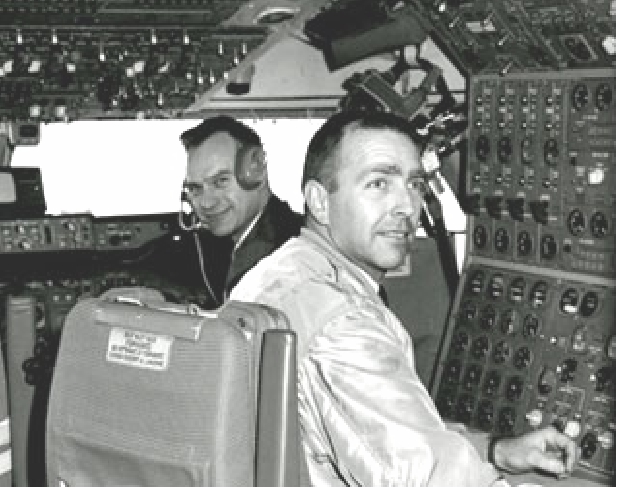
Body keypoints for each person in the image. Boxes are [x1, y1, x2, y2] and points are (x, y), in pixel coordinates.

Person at [230, 110, 578, 485]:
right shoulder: (341, 322)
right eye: (379, 183)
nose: (406, 207)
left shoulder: (281, 272)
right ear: (319, 202)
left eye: (414, 184)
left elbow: (382, 435)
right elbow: (427, 480)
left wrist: (495, 452)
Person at [174, 115, 302, 307]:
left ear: (256, 170)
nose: (207, 203)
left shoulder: (289, 251)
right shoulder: (228, 241)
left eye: (221, 181)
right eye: (195, 189)